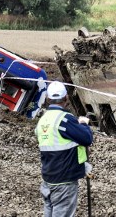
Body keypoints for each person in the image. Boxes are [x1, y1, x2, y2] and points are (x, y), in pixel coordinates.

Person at [36, 81, 93, 217]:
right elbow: (86, 139)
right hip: (64, 183)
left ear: (48, 99)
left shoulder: (43, 121)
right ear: (66, 98)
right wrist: (84, 124)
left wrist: (82, 167)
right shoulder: (64, 120)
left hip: (49, 178)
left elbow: (58, 147)